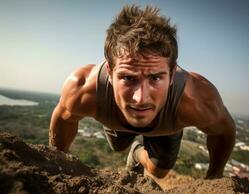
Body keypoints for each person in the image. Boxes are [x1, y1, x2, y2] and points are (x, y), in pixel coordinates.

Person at [49, 5, 236, 179]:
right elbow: (64, 117)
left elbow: (223, 131)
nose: (140, 98)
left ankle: (137, 152)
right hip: (116, 122)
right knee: (118, 147)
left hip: (163, 129)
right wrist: (55, 163)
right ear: (110, 72)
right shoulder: (83, 89)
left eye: (155, 78)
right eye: (128, 78)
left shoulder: (198, 99)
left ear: (172, 75)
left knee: (158, 172)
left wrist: (214, 176)